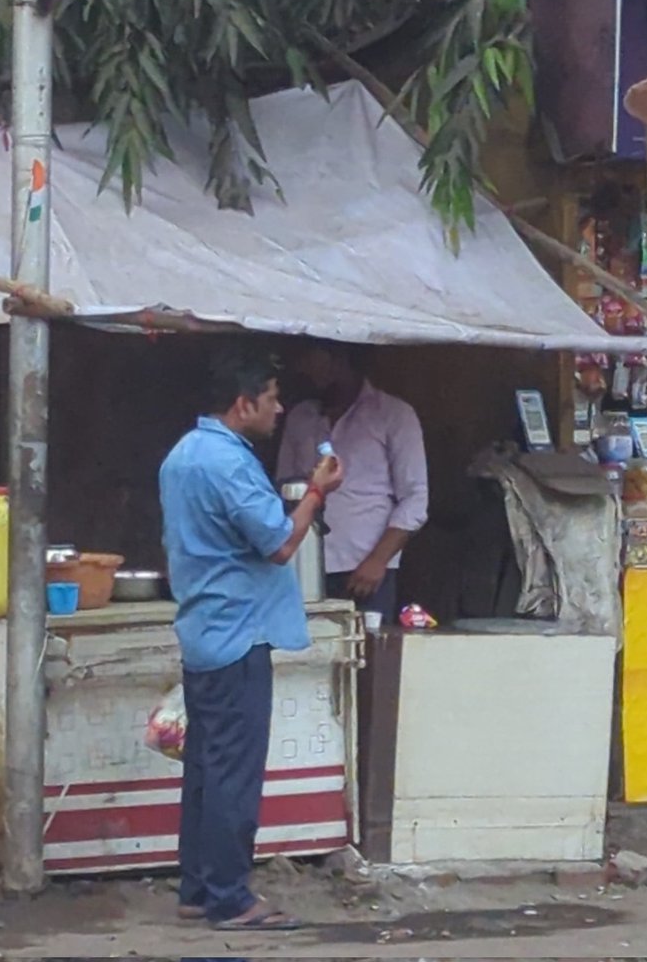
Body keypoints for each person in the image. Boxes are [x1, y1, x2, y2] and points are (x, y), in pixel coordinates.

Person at [159, 350, 344, 930]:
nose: (279, 407)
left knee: (206, 770)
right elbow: (280, 544)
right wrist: (316, 492)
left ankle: (198, 887)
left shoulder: (183, 455)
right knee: (233, 774)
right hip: (238, 634)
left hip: (205, 632)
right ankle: (230, 897)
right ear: (243, 404)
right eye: (270, 397)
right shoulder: (228, 464)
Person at [275, 342, 428, 618]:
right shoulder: (300, 416)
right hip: (304, 565)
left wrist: (378, 560)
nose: (305, 370)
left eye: (313, 360)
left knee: (364, 655)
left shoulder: (394, 414)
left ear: (340, 360)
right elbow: (284, 488)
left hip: (366, 571)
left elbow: (415, 499)